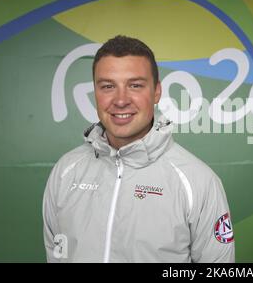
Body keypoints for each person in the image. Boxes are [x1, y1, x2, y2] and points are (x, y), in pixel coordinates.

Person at [43, 35, 235, 263]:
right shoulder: (65, 171)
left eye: (135, 85)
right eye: (107, 86)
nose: (121, 100)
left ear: (156, 92)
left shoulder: (198, 182)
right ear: (95, 92)